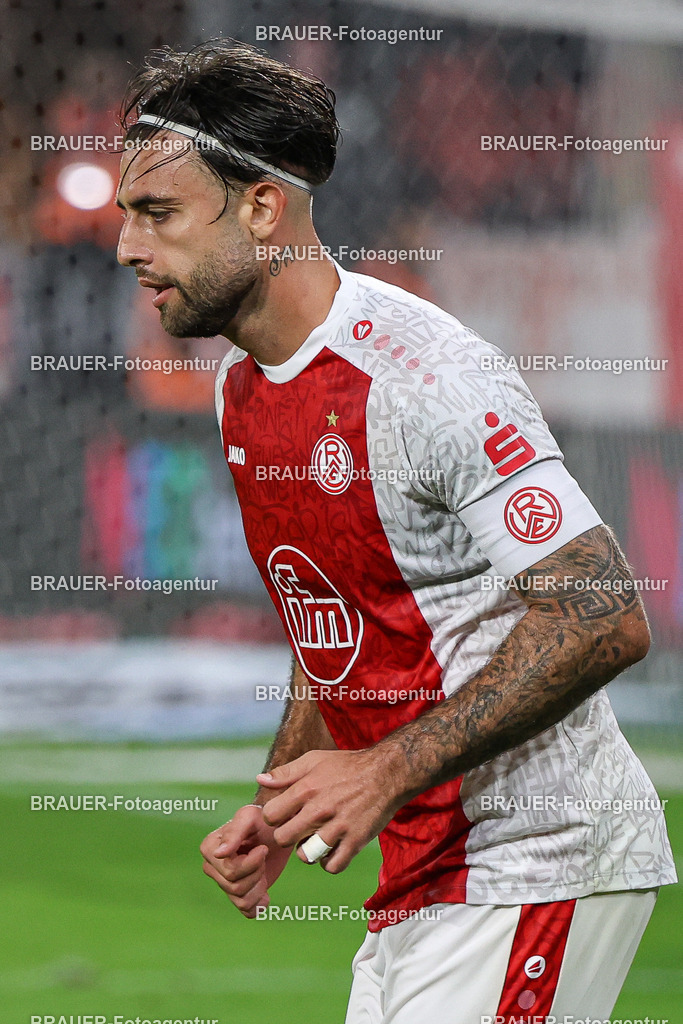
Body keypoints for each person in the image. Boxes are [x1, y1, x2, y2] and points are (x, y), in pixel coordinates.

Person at [115, 39, 676, 1021]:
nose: (127, 247)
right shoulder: (240, 389)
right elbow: (329, 615)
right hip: (425, 876)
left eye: (156, 213)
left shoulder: (427, 380)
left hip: (531, 854)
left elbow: (601, 615)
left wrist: (380, 767)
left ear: (260, 207)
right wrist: (282, 800)